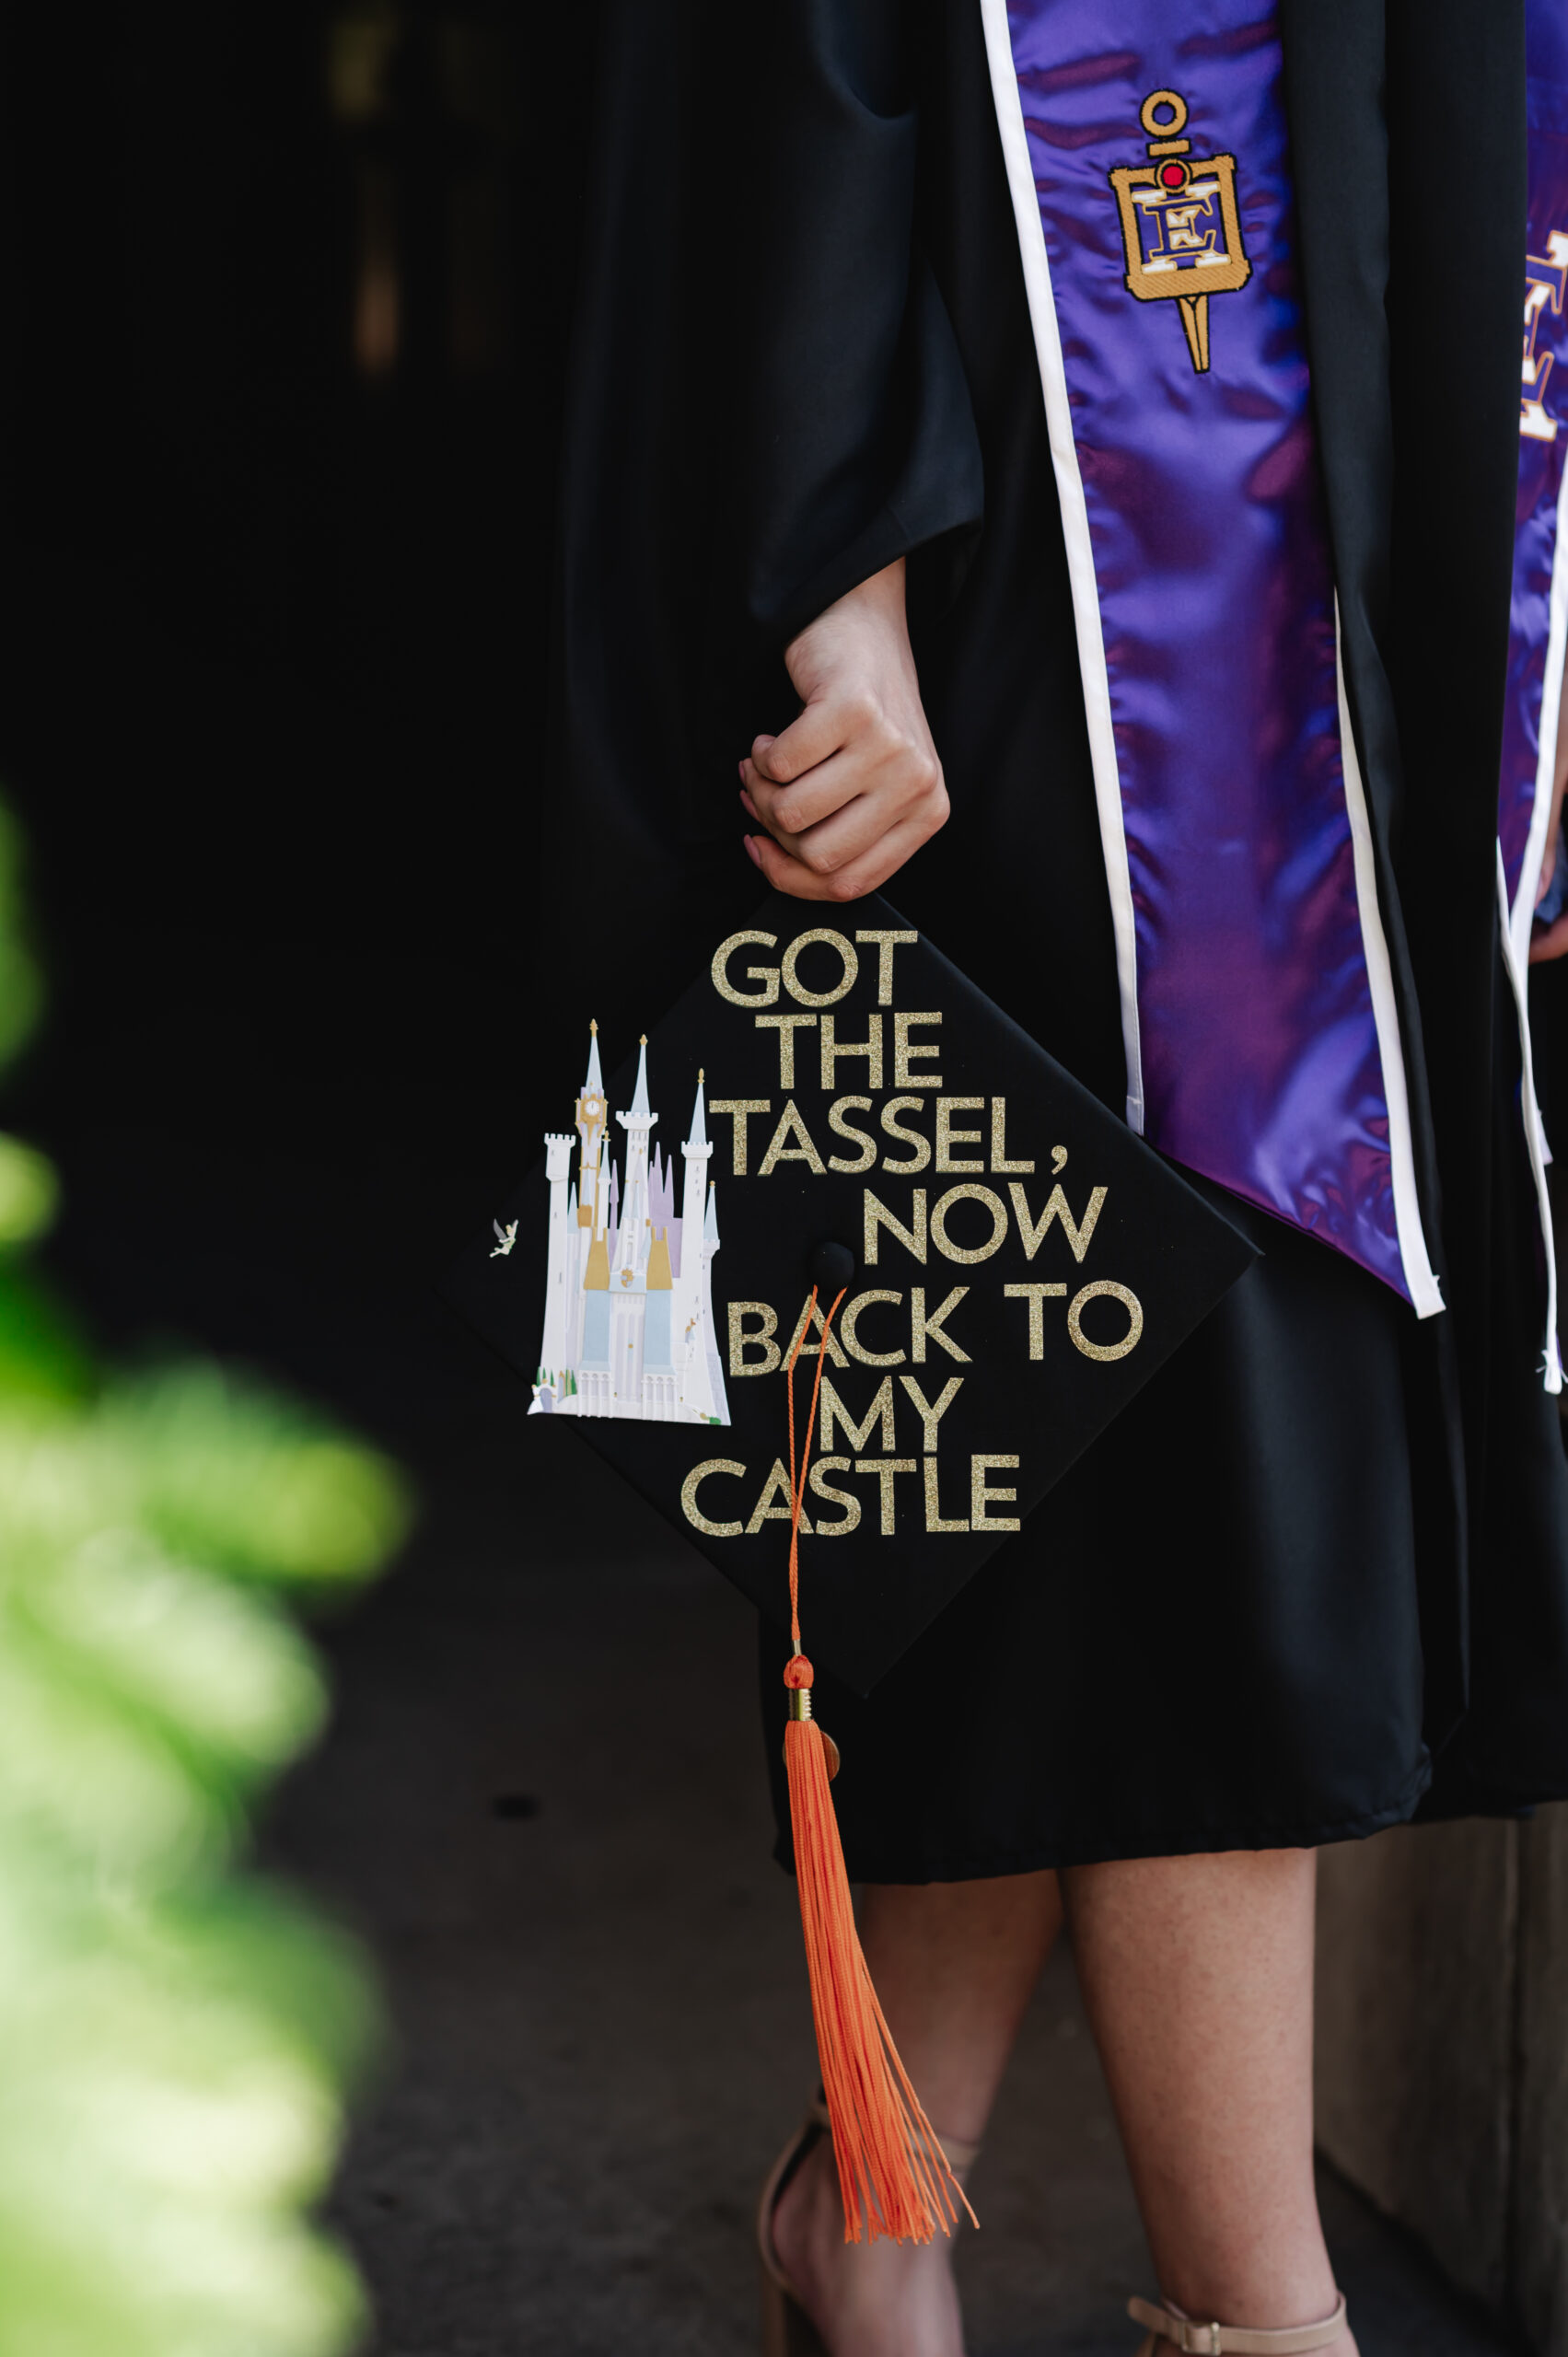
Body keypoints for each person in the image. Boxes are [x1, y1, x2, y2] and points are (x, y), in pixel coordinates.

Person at [548, 4, 1568, 2352]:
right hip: (1045, 479)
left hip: (1344, 451)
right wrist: (839, 555)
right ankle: (1261, 2309)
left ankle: (880, 2209)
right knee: (1183, 1367)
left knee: (1055, 1394)